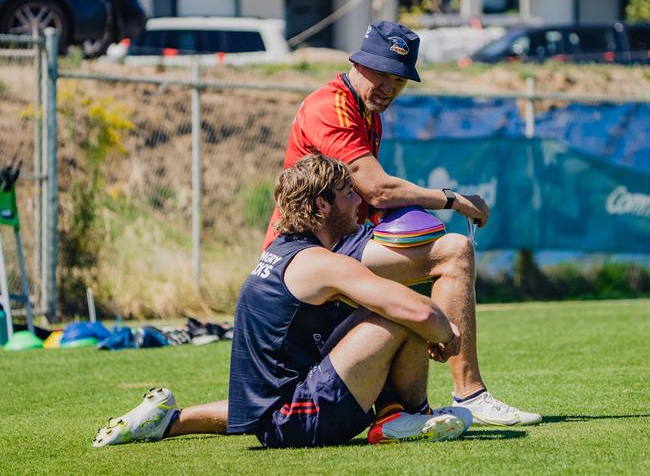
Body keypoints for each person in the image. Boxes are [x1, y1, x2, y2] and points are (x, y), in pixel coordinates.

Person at [260, 20, 541, 425]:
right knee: (453, 252)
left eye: (400, 79)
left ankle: (398, 409)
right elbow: (377, 190)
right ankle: (470, 394)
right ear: (358, 62)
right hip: (300, 256)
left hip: (322, 247)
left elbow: (365, 197)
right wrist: (452, 199)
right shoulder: (332, 107)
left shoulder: (365, 110)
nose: (389, 87)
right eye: (381, 73)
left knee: (406, 301)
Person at [93, 154, 473, 448]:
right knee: (399, 312)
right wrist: (447, 334)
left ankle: (163, 421)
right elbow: (417, 310)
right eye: (348, 194)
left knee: (382, 308)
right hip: (301, 420)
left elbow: (258, 403)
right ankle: (403, 417)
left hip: (276, 415)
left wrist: (179, 422)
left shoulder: (280, 252)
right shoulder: (319, 263)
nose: (360, 201)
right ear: (323, 205)